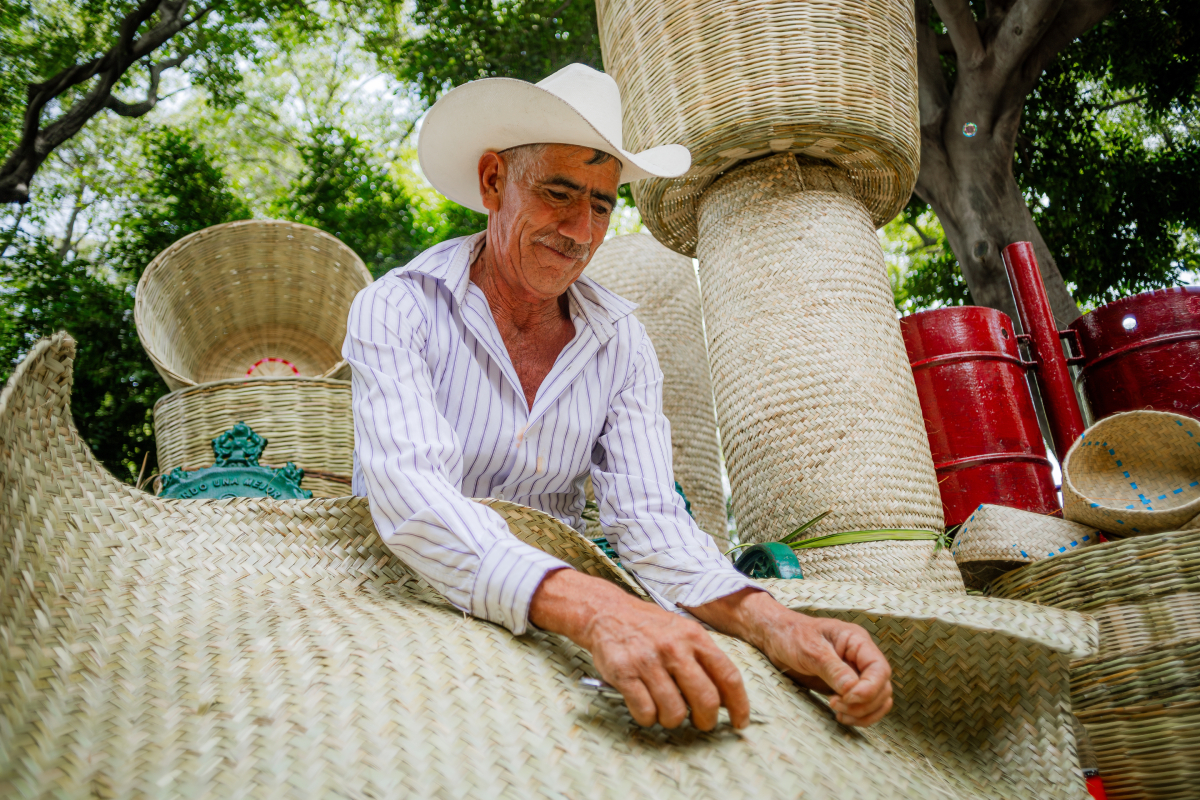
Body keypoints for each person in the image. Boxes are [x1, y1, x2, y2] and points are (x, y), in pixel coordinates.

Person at [343, 63, 893, 732]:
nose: (579, 229)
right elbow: (410, 497)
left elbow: (649, 519)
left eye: (601, 204)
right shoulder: (396, 308)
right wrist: (599, 610)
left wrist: (775, 624)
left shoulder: (620, 341)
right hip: (412, 593)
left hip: (560, 610)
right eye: (557, 193)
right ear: (494, 181)